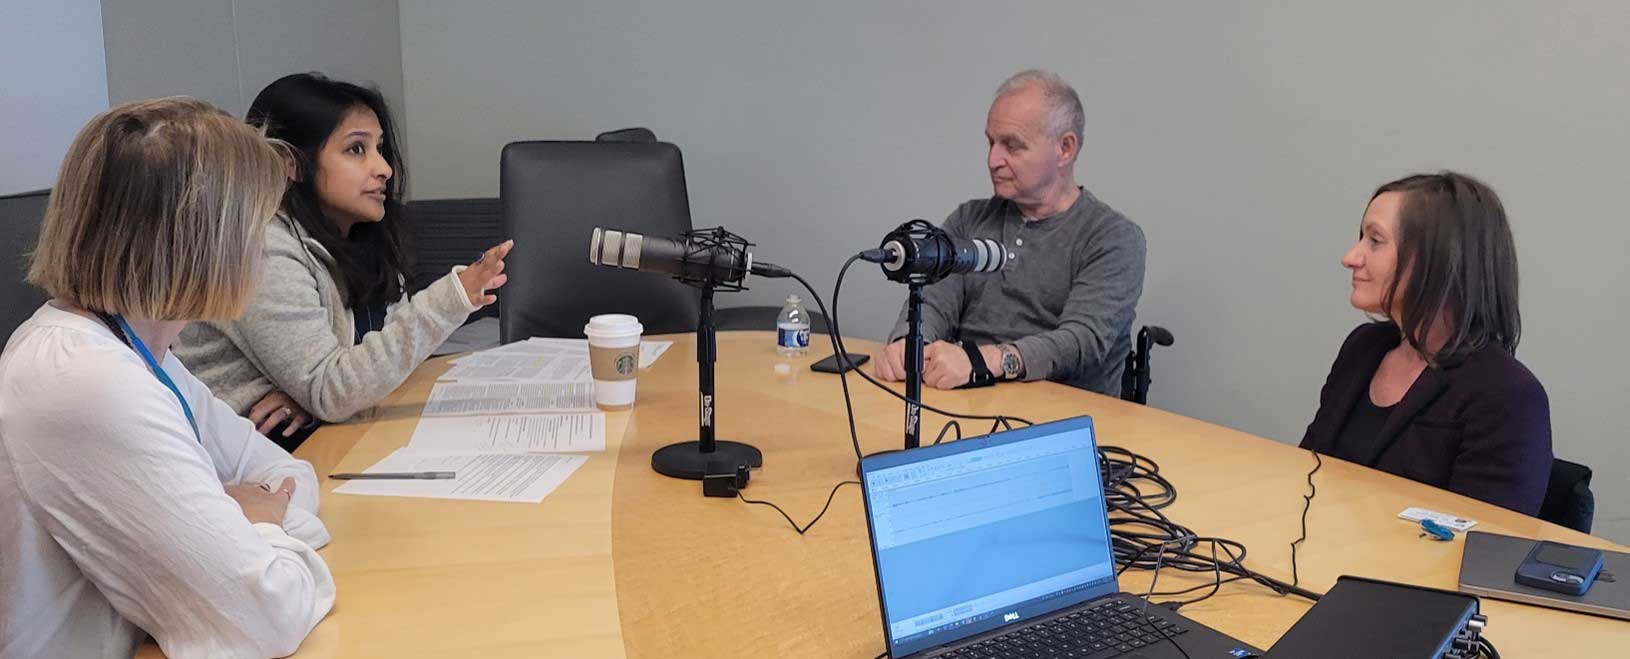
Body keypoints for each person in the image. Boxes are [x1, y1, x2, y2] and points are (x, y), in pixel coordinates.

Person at [0, 98, 334, 657]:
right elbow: (264, 616)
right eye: (259, 223)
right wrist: (252, 522)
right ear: (202, 238)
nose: (265, 244)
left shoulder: (134, 350)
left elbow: (288, 476)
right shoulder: (83, 379)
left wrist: (233, 519)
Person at [175, 73, 511, 448]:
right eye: (356, 149)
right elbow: (333, 390)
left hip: (317, 439)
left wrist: (314, 398)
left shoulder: (359, 236)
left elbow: (365, 372)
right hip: (247, 459)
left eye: (380, 148)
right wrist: (452, 298)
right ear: (290, 162)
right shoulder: (262, 247)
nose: (383, 168)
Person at [870, 70, 1146, 395]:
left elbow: (1080, 342)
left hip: (1057, 420)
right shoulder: (969, 219)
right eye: (990, 142)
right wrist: (909, 344)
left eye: (1012, 146)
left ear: (1065, 149)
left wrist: (981, 362)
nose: (992, 160)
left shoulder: (1112, 237)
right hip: (962, 403)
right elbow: (931, 303)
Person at [1301, 172, 1551, 515]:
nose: (1351, 257)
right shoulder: (1363, 348)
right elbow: (1304, 474)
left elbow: (1486, 549)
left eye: (1375, 240)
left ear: (1440, 258)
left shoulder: (1508, 394)